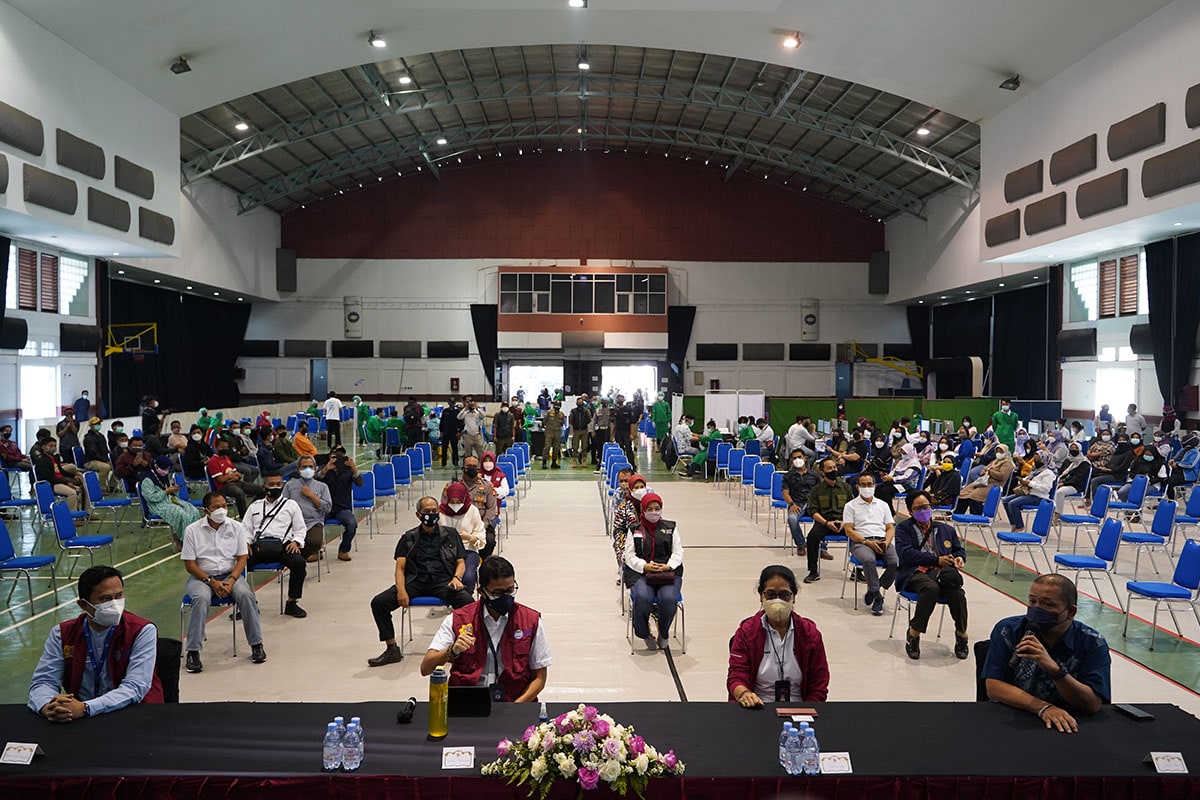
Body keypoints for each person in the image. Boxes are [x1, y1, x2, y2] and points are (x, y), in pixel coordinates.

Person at [28, 565, 163, 720]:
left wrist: (86, 708)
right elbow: (43, 682)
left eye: (119, 596)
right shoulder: (61, 634)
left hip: (133, 713)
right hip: (81, 716)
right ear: (83, 605)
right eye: (106, 599)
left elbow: (135, 686)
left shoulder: (142, 631)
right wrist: (48, 706)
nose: (115, 604)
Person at [982, 574, 1111, 733]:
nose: (1036, 609)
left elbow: (1092, 704)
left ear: (1071, 612)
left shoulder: (1093, 642)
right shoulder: (1008, 630)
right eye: (1032, 601)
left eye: (1047, 604)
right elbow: (994, 687)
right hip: (1015, 717)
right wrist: (1043, 708)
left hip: (1068, 724)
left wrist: (1056, 671)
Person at [420, 556, 551, 702]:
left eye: (510, 590)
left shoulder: (531, 620)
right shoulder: (458, 620)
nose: (506, 597)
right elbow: (426, 668)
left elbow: (539, 678)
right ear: (481, 591)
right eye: (497, 593)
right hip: (468, 703)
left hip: (515, 701)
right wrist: (452, 651)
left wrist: (515, 707)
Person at [367, 496, 473, 667]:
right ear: (418, 515)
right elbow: (400, 568)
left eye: (434, 511)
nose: (431, 514)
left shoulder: (451, 534)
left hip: (443, 582)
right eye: (426, 511)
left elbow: (461, 562)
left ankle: (463, 647)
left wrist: (456, 578)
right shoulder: (408, 537)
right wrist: (401, 590)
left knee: (468, 603)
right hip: (415, 582)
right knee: (379, 603)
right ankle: (392, 648)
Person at [180, 493, 266, 672]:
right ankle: (193, 651)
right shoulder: (192, 531)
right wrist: (211, 581)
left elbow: (242, 558)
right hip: (201, 577)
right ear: (206, 510)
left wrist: (232, 580)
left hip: (230, 575)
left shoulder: (236, 527)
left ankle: (256, 644)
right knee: (200, 598)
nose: (222, 510)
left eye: (224, 506)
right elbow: (190, 565)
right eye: (216, 507)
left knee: (246, 595)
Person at [726, 565, 830, 707]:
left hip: (799, 708)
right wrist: (744, 694)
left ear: (794, 597)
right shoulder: (746, 632)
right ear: (761, 596)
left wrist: (806, 711)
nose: (777, 600)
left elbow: (819, 683)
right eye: (770, 594)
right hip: (757, 707)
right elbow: (736, 676)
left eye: (784, 594)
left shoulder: (810, 634)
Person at [895, 490, 969, 660]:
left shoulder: (945, 529)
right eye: (918, 508)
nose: (923, 511)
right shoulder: (903, 529)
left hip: (941, 573)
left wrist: (959, 558)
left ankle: (961, 634)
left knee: (957, 593)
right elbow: (906, 554)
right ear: (910, 511)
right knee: (930, 589)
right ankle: (914, 633)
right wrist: (936, 559)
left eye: (926, 507)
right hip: (915, 572)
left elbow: (958, 549)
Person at [623, 492, 683, 650]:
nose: (653, 512)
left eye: (657, 508)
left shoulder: (670, 527)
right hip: (641, 573)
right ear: (643, 510)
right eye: (649, 509)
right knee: (643, 597)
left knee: (669, 598)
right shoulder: (634, 529)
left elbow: (678, 552)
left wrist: (668, 566)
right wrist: (644, 566)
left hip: (667, 572)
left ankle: (664, 632)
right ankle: (644, 633)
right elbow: (629, 555)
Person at [243, 474, 309, 618]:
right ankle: (247, 604)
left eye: (279, 484)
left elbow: (300, 528)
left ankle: (292, 603)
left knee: (299, 563)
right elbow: (245, 529)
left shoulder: (291, 505)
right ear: (264, 487)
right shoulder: (254, 507)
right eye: (271, 484)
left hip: (283, 545)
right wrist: (245, 544)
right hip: (258, 546)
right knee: (237, 565)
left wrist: (296, 541)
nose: (275, 487)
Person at [843, 473, 898, 616]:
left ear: (874, 486)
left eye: (870, 484)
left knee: (895, 562)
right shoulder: (850, 506)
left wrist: (886, 542)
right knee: (868, 560)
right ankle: (878, 596)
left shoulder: (883, 505)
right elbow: (848, 530)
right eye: (863, 485)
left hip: (882, 540)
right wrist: (867, 542)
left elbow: (890, 528)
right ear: (857, 487)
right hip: (861, 542)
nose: (867, 487)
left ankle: (874, 588)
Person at [802, 456, 855, 584]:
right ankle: (813, 571)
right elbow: (813, 511)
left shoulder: (846, 487)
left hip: (843, 522)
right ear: (822, 472)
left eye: (834, 467)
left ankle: (857, 570)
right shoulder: (816, 490)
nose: (833, 470)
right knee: (812, 537)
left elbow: (853, 508)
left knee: (860, 535)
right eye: (829, 468)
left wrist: (845, 522)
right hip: (824, 522)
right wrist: (826, 523)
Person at [141, 456, 201, 550]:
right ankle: (183, 540)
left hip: (170, 500)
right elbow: (151, 497)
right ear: (157, 467)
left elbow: (170, 492)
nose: (167, 471)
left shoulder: (164, 477)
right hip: (158, 505)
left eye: (168, 469)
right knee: (181, 514)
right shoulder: (147, 481)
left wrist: (174, 490)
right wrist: (165, 492)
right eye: (165, 469)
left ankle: (192, 538)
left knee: (193, 510)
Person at [282, 455, 332, 563]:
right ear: (298, 470)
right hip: (292, 523)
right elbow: (282, 505)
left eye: (310, 467)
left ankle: (300, 555)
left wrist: (312, 496)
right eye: (304, 467)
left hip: (313, 522)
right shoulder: (289, 485)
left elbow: (328, 508)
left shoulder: (322, 487)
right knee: (282, 543)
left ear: (315, 469)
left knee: (315, 542)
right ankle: (301, 556)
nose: (307, 469)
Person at [439, 482, 487, 593]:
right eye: (452, 502)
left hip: (467, 549)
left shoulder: (472, 510)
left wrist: (469, 537)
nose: (455, 505)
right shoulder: (441, 512)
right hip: (446, 550)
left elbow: (480, 533)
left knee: (468, 577)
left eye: (458, 502)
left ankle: (466, 600)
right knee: (442, 575)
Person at [317, 447, 361, 561]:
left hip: (342, 508)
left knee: (352, 524)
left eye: (340, 457)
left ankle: (343, 550)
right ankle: (316, 550)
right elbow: (314, 481)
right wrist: (326, 469)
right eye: (334, 457)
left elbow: (360, 483)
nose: (336, 460)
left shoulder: (348, 470)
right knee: (314, 524)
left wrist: (354, 469)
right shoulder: (324, 468)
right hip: (325, 507)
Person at [206, 438, 264, 517]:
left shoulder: (227, 458)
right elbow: (221, 479)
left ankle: (250, 510)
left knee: (262, 490)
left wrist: (233, 477)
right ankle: (243, 516)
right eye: (222, 447)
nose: (225, 449)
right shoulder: (213, 461)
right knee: (239, 493)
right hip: (224, 487)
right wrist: (232, 476)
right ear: (216, 447)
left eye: (226, 447)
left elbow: (238, 474)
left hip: (237, 482)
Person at [956, 443, 1014, 514]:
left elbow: (1002, 476)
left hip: (994, 485)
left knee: (974, 496)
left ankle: (976, 516)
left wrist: (990, 472)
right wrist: (984, 471)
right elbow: (984, 470)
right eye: (997, 451)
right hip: (984, 482)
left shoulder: (1007, 464)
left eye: (1001, 452)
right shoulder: (995, 461)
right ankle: (957, 513)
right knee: (964, 493)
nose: (998, 453)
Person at [781, 449, 819, 557]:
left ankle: (822, 547)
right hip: (796, 503)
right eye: (794, 458)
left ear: (805, 458)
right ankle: (801, 545)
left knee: (823, 519)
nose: (797, 460)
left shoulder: (814, 475)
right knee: (792, 519)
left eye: (799, 457)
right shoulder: (788, 476)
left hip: (812, 504)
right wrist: (791, 504)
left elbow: (820, 491)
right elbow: (785, 493)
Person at [1003, 454, 1055, 532]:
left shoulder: (1048, 473)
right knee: (1005, 501)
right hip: (1028, 493)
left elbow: (1046, 488)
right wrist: (1022, 481)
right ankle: (1014, 523)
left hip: (1039, 497)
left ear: (1044, 460)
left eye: (1038, 460)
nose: (1036, 461)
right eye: (1035, 459)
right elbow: (1028, 478)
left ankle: (1019, 526)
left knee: (1012, 503)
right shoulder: (1035, 470)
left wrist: (1030, 483)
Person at [33, 436, 87, 512]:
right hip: (52, 484)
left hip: (60, 480)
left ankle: (87, 511)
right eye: (51, 446)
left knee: (84, 488)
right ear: (44, 447)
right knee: (72, 493)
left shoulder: (53, 458)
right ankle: (71, 515)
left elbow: (61, 471)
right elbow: (50, 478)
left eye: (55, 445)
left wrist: (74, 476)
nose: (53, 448)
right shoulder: (42, 460)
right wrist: (67, 483)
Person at [875, 442, 922, 511]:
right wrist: (888, 477)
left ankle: (890, 512)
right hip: (897, 482)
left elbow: (907, 477)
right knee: (878, 488)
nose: (903, 455)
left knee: (885, 491)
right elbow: (894, 471)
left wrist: (892, 478)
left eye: (905, 453)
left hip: (907, 485)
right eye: (902, 453)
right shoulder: (902, 462)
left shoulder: (915, 464)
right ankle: (879, 509)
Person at [1087, 434, 1133, 499]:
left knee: (1094, 481)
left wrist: (1110, 470)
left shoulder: (1129, 453)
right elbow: (1111, 462)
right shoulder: (1117, 451)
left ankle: (1096, 500)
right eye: (1120, 440)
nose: (1121, 441)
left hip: (1118, 476)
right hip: (1109, 473)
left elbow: (1123, 467)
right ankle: (1091, 498)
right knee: (1093, 475)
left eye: (1123, 440)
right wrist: (1105, 467)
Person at [1053, 443, 1091, 519]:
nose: (1073, 450)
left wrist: (1064, 483)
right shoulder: (1067, 460)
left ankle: (1057, 515)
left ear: (1079, 450)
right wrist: (1059, 481)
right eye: (1072, 448)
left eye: (1076, 448)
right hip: (1063, 482)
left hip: (1075, 486)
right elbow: (1061, 472)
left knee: (1060, 492)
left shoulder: (1084, 463)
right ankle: (1049, 511)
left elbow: (1078, 478)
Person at [81, 416, 115, 493]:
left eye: (99, 423)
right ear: (90, 426)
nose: (98, 425)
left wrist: (109, 459)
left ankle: (112, 486)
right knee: (106, 467)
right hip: (90, 461)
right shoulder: (88, 438)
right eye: (95, 424)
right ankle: (101, 488)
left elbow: (105, 450)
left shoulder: (101, 436)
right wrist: (105, 460)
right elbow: (93, 453)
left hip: (101, 460)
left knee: (116, 465)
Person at [458, 397, 487, 462]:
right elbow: (459, 417)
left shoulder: (477, 412)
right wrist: (465, 408)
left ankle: (481, 465)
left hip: (476, 435)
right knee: (468, 454)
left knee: (481, 453)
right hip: (468, 435)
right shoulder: (466, 412)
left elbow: (483, 415)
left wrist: (477, 408)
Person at [612, 394, 637, 468]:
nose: (620, 400)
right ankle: (621, 465)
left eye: (621, 398)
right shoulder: (615, 410)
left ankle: (632, 466)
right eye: (618, 398)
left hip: (627, 431)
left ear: (624, 399)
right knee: (620, 449)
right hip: (618, 432)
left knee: (628, 448)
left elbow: (632, 423)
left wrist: (632, 434)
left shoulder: (628, 409)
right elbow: (612, 423)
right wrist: (612, 434)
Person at [568, 397, 592, 468]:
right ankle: (574, 460)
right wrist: (571, 428)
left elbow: (589, 419)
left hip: (584, 430)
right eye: (578, 402)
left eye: (581, 402)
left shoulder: (586, 411)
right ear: (576, 403)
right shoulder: (573, 411)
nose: (580, 404)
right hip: (576, 430)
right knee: (575, 446)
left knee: (585, 446)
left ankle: (584, 460)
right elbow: (570, 420)